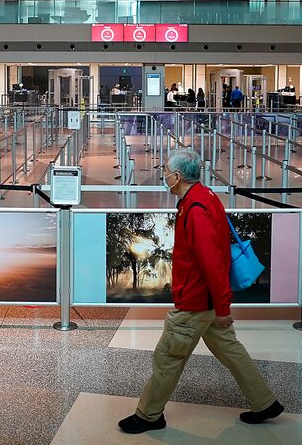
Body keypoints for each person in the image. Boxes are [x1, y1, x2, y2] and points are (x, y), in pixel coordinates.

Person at [118, 148, 283, 434]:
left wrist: (222, 308)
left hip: (196, 302)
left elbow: (213, 263)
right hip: (207, 301)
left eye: (166, 173)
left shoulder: (195, 211)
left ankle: (148, 416)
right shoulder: (205, 197)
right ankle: (265, 403)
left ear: (178, 177)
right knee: (232, 351)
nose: (164, 177)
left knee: (168, 358)